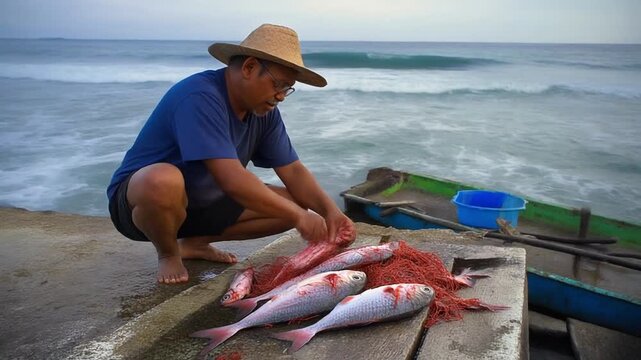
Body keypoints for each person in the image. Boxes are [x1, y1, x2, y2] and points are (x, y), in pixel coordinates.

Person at [107, 24, 356, 285]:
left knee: (293, 202)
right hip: (142, 205)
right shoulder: (200, 96)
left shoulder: (265, 112)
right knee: (162, 180)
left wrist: (330, 212)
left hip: (201, 202)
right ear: (248, 68)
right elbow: (232, 179)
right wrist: (299, 217)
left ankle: (193, 244)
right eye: (278, 84)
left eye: (288, 88)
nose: (281, 96)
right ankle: (168, 252)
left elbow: (292, 170)